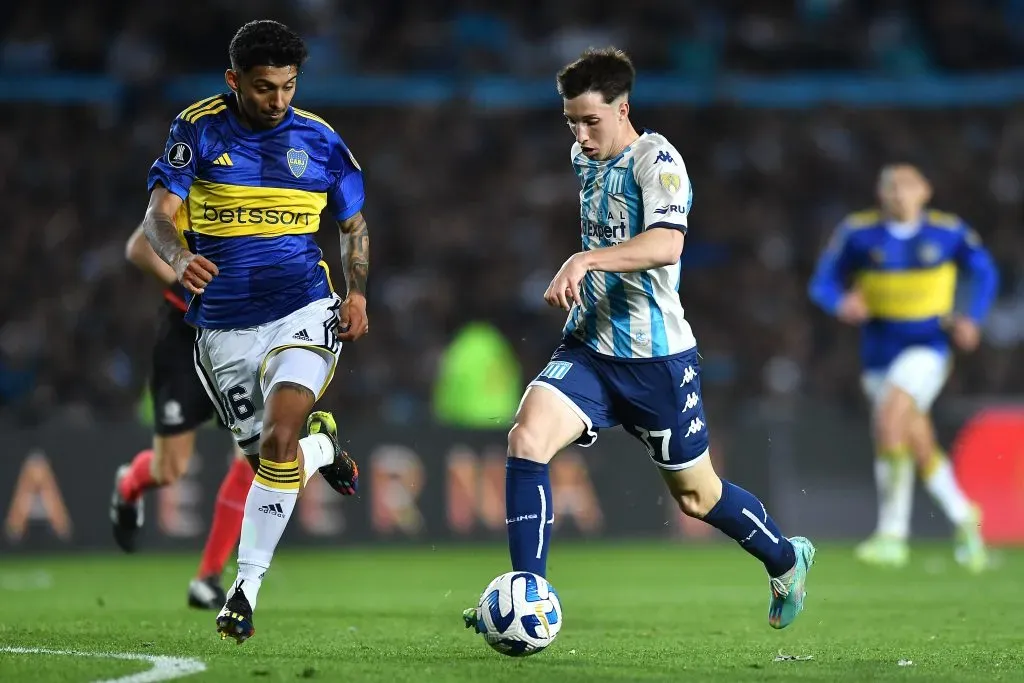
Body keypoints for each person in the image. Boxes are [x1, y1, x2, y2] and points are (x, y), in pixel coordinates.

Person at [462, 47, 814, 632]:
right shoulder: (584, 155)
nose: (579, 133)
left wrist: (584, 259)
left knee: (697, 498)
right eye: (570, 120)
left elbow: (667, 245)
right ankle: (527, 596)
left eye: (591, 120)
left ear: (623, 108)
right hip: (592, 350)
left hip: (657, 362)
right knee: (526, 440)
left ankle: (785, 558)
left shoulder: (659, 162)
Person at [141, 19, 366, 643]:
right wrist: (180, 257)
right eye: (265, 88)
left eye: (288, 87)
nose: (278, 101)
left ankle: (245, 588)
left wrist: (358, 291)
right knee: (276, 459)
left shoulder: (318, 140)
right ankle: (323, 451)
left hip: (303, 305)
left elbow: (352, 226)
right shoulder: (197, 128)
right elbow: (159, 215)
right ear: (233, 80)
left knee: (277, 436)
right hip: (222, 329)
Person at [809, 163, 997, 572]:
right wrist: (841, 302)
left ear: (925, 191)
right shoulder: (858, 233)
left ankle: (892, 535)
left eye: (908, 185)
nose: (900, 193)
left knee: (891, 418)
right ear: (880, 194)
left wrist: (971, 317)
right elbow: (822, 282)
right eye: (891, 187)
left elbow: (984, 272)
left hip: (929, 348)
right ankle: (965, 515)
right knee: (916, 439)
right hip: (878, 353)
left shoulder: (948, 232)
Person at [109, 222, 254, 610]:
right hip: (184, 338)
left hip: (237, 338)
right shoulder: (188, 187)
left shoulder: (259, 192)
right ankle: (129, 484)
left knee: (251, 455)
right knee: (170, 469)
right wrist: (182, 276)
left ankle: (207, 578)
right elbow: (138, 246)